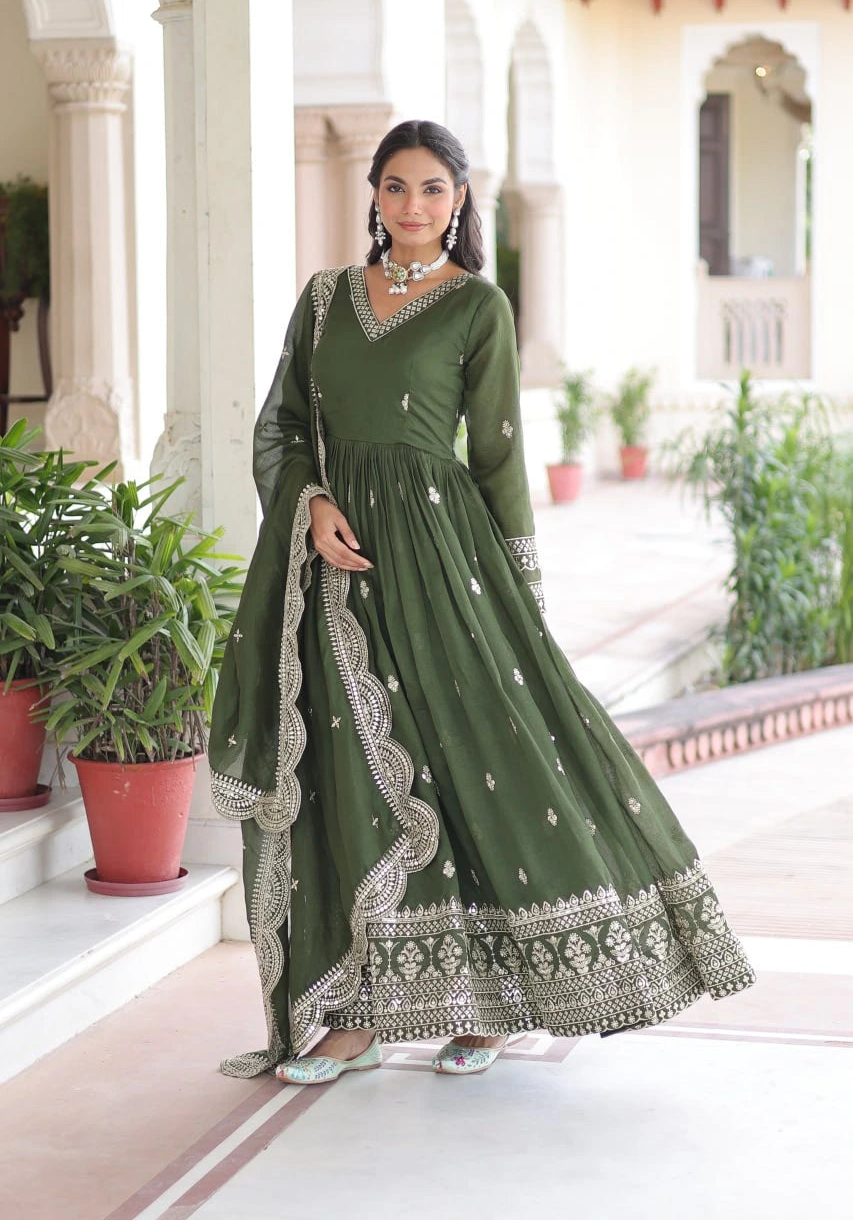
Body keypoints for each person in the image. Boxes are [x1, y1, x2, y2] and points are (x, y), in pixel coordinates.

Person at [209, 119, 755, 1084]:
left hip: (440, 559)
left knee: (476, 761)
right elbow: (283, 425)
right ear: (373, 195)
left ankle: (494, 1004)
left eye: (432, 189)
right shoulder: (325, 300)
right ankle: (357, 1020)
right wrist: (311, 502)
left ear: (459, 200)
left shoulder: (478, 307)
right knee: (347, 770)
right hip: (336, 563)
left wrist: (520, 592)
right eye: (395, 186)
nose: (412, 205)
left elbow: (498, 455)